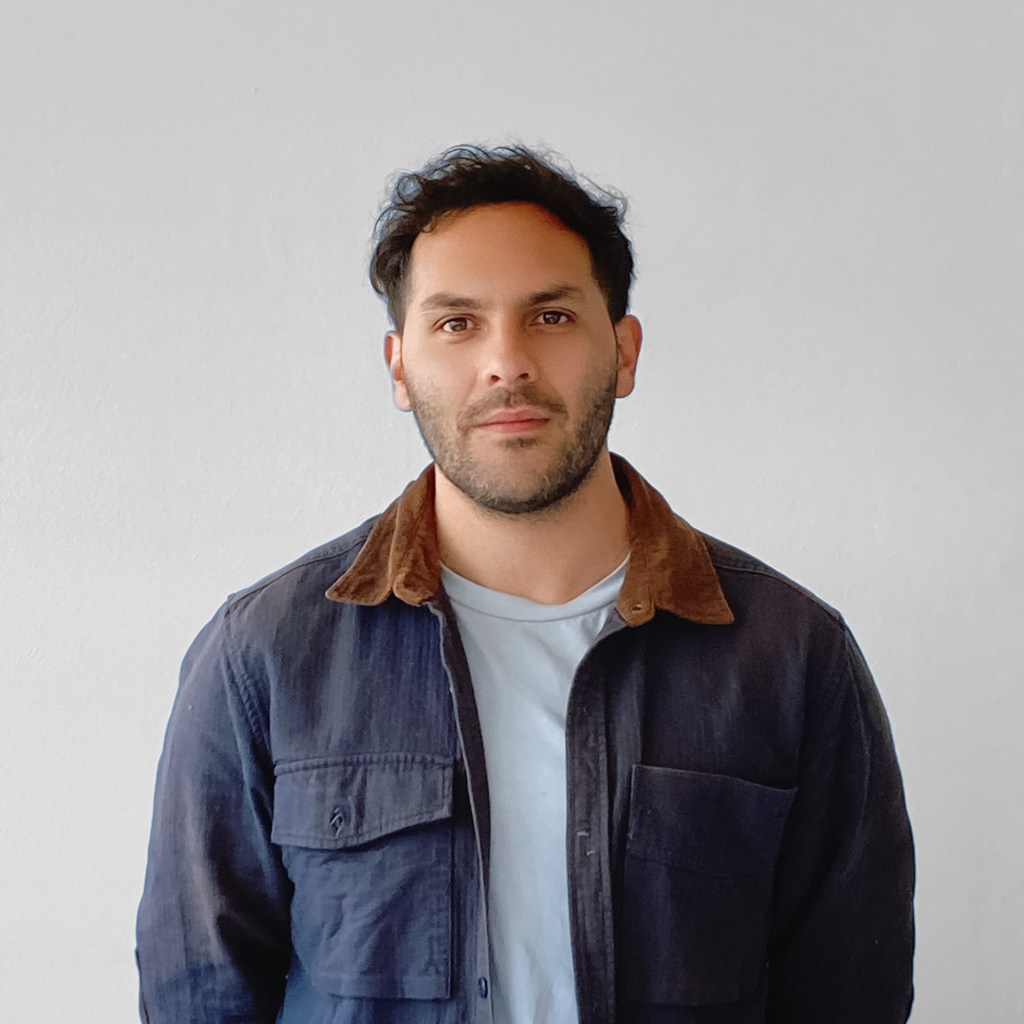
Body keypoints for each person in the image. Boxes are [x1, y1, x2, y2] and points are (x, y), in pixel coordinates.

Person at [136, 145, 915, 1024]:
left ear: (623, 351)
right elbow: (198, 995)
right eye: (457, 323)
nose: (506, 363)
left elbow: (852, 994)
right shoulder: (265, 655)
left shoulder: (791, 655)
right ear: (399, 367)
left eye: (550, 316)